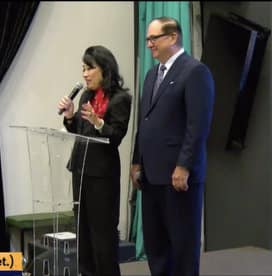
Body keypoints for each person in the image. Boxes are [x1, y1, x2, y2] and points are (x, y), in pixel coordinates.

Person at [130, 17, 215, 276]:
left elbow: (197, 125)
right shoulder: (151, 74)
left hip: (179, 177)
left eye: (153, 39)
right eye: (147, 39)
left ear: (172, 37)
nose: (149, 45)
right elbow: (144, 122)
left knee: (182, 245)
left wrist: (184, 165)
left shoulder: (195, 71)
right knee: (157, 245)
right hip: (152, 174)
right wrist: (136, 161)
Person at [57, 45, 132, 276]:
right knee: (84, 235)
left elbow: (116, 136)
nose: (85, 74)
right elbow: (80, 130)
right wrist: (70, 117)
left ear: (105, 69)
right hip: (80, 170)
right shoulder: (87, 96)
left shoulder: (120, 99)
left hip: (102, 176)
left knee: (102, 236)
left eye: (90, 68)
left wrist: (99, 122)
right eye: (83, 69)